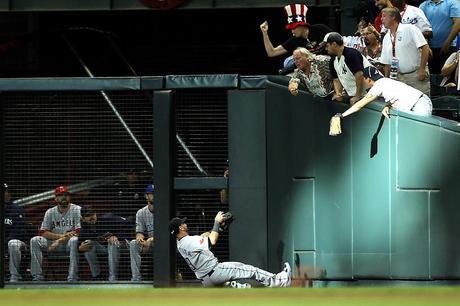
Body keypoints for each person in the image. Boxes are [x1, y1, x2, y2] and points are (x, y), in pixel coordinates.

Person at [170, 212, 292, 288]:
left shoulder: (180, 243)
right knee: (250, 270)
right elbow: (211, 240)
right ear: (181, 227)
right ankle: (281, 281)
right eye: (183, 223)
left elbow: (202, 237)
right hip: (215, 271)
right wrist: (216, 222)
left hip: (206, 280)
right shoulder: (188, 241)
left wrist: (220, 229)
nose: (185, 224)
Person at [332, 67, 432, 128]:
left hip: (419, 104)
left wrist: (342, 115)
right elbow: (399, 95)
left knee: (422, 133)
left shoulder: (378, 85)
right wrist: (389, 105)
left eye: (363, 79)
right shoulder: (386, 81)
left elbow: (361, 104)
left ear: (368, 79)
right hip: (420, 102)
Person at [259, 4, 332, 74]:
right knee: (288, 62)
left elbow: (338, 42)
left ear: (302, 25)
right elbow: (272, 52)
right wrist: (264, 33)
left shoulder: (320, 29)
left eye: (293, 28)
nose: (292, 31)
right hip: (309, 72)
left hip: (328, 66)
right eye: (291, 29)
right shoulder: (294, 40)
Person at [30, 185, 81, 281]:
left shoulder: (77, 209)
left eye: (66, 195)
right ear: (56, 198)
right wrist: (60, 238)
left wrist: (60, 240)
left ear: (69, 197)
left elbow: (78, 231)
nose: (64, 197)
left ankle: (72, 277)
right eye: (61, 195)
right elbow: (42, 232)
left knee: (75, 240)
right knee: (35, 240)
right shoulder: (50, 212)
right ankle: (37, 277)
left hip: (70, 244)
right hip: (53, 244)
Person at [380, 7, 431, 96]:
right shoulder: (386, 38)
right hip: (398, 78)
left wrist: (422, 69)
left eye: (384, 16)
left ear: (393, 17)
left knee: (421, 104)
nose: (381, 19)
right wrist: (387, 79)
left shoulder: (409, 28)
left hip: (415, 75)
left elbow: (425, 47)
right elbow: (386, 62)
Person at [79, 205, 132, 281]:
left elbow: (128, 224)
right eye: (87, 215)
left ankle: (113, 278)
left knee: (112, 243)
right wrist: (80, 248)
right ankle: (96, 276)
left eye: (92, 214)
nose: (91, 217)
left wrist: (117, 236)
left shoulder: (108, 218)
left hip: (125, 244)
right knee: (87, 244)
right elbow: (79, 244)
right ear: (83, 218)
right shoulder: (85, 228)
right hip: (108, 249)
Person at [324, 32, 371, 105]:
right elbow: (336, 79)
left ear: (334, 44)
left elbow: (359, 75)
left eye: (327, 46)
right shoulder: (333, 60)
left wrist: (357, 96)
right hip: (355, 95)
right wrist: (338, 93)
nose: (326, 49)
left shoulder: (351, 54)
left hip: (372, 94)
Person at [420, 0, 460, 73]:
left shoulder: (452, 3)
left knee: (447, 77)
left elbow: (458, 23)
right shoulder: (423, 5)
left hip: (449, 47)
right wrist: (426, 45)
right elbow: (420, 27)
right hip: (429, 48)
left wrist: (448, 42)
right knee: (431, 75)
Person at [129, 183, 154, 281]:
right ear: (146, 196)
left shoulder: (165, 209)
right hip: (148, 244)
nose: (155, 196)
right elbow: (139, 232)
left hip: (162, 243)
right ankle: (136, 278)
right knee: (133, 243)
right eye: (152, 193)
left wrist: (150, 240)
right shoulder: (141, 212)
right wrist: (140, 238)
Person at [3, 183, 27, 282]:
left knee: (13, 243)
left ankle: (15, 277)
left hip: (19, 244)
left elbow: (17, 233)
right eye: (4, 192)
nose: (6, 194)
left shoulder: (17, 210)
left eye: (7, 191)